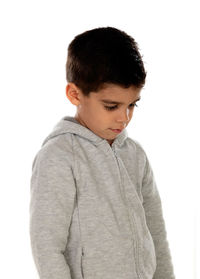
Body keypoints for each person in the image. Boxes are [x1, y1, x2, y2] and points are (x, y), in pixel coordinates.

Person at [29, 26, 176, 279]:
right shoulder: (59, 156)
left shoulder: (135, 155)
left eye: (132, 105)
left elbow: (155, 231)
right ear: (75, 94)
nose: (124, 117)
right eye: (111, 106)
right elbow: (47, 245)